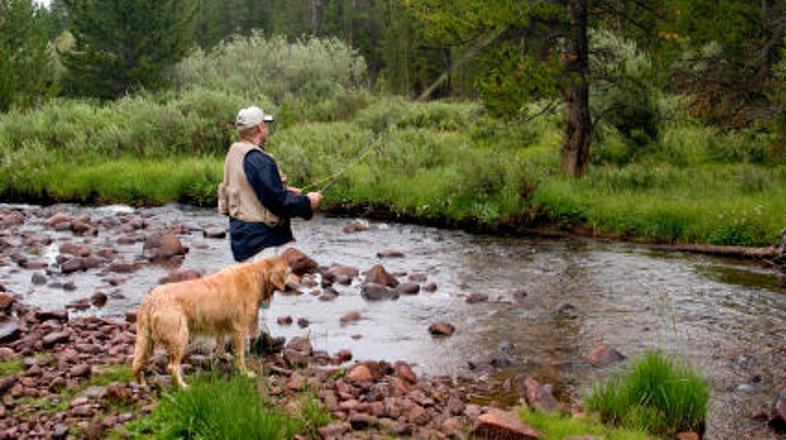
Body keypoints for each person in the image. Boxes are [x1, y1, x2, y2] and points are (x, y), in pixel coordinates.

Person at [218, 105, 322, 351]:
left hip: (241, 231)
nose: (267, 127)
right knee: (257, 292)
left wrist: (287, 191)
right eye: (265, 124)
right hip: (259, 235)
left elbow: (256, 190)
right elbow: (277, 201)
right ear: (259, 128)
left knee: (252, 289)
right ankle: (244, 342)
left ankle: (254, 340)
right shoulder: (258, 160)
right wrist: (308, 202)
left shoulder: (236, 152)